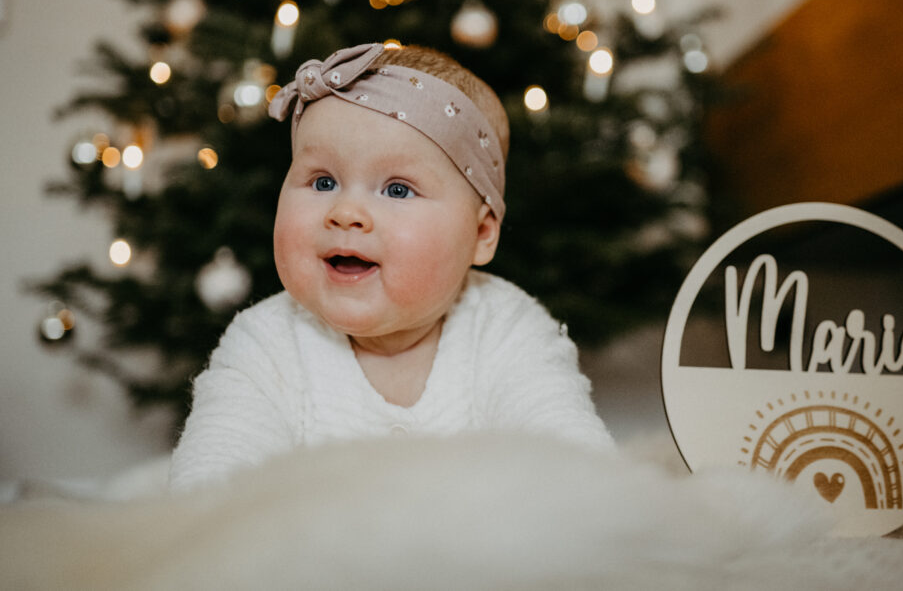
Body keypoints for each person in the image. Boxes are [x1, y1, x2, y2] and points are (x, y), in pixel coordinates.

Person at [169, 42, 613, 490]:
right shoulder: (264, 344)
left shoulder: (509, 331)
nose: (346, 212)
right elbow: (207, 500)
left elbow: (580, 480)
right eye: (323, 182)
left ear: (481, 235)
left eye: (398, 190)